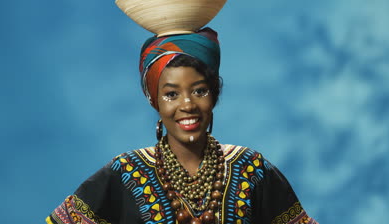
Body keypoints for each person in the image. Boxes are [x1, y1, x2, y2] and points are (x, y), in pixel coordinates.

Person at [46, 28, 318, 224]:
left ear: (214, 95)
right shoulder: (125, 172)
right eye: (171, 94)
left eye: (199, 91)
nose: (187, 104)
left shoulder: (251, 168)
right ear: (155, 101)